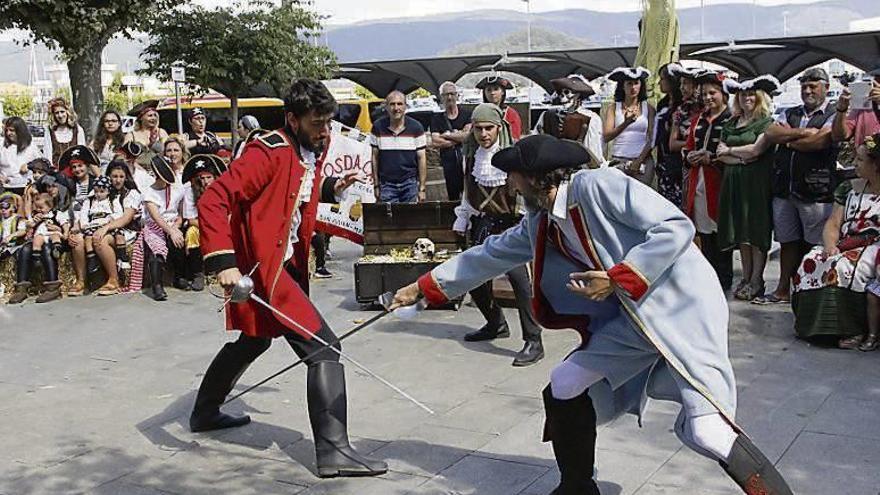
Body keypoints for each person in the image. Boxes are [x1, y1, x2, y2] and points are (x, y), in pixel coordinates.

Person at [392, 134, 793, 495]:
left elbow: (675, 225)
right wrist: (424, 288)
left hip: (682, 310)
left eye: (513, 176)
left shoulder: (599, 185)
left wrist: (618, 278)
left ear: (534, 177)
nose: (509, 185)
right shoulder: (541, 220)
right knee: (564, 383)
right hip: (636, 320)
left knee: (707, 431)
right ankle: (577, 488)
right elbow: (490, 254)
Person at [190, 78, 387, 478]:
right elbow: (214, 199)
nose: (326, 131)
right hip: (267, 269)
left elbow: (294, 190)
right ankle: (334, 452)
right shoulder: (267, 151)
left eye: (329, 122)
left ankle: (205, 411)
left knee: (256, 339)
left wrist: (332, 185)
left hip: (288, 263)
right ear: (292, 119)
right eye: (318, 123)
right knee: (324, 349)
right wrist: (222, 261)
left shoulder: (311, 146)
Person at [453, 103, 544, 366]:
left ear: (499, 128)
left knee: (519, 280)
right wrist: (462, 218)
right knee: (472, 276)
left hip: (512, 225)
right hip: (483, 223)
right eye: (479, 129)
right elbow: (467, 191)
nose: (483, 134)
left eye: (489, 128)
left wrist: (530, 226)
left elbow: (528, 195)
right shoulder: (470, 157)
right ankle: (495, 324)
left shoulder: (513, 157)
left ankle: (534, 340)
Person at [753, 67, 837, 305]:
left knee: (815, 244)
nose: (808, 90)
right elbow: (771, 132)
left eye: (813, 86)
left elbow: (820, 142)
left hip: (816, 192)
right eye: (804, 86)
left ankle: (810, 293)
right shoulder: (790, 112)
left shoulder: (832, 113)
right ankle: (782, 289)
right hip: (784, 190)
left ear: (826, 88)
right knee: (787, 241)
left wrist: (789, 140)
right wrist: (802, 133)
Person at [792, 134, 880, 350]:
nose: (855, 164)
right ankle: (814, 327)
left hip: (873, 246)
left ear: (876, 164)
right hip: (846, 242)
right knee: (812, 260)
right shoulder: (849, 188)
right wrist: (830, 245)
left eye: (860, 160)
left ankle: (853, 328)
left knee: (842, 267)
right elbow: (833, 223)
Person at [714, 76, 782, 301]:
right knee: (741, 232)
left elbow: (756, 150)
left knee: (756, 230)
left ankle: (756, 279)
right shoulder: (732, 122)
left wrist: (732, 152)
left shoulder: (766, 122)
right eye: (743, 94)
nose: (747, 98)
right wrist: (740, 157)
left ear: (759, 97)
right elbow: (719, 154)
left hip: (756, 183)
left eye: (751, 94)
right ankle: (745, 276)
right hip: (733, 182)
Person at [684, 70, 734, 290]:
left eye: (712, 93)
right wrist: (690, 157)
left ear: (723, 94)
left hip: (721, 183)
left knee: (722, 232)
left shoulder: (731, 119)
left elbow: (733, 153)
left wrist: (711, 158)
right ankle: (709, 276)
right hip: (699, 182)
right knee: (703, 232)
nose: (707, 98)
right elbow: (687, 147)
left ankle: (724, 279)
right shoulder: (698, 120)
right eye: (704, 94)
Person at [91, 161, 142, 296]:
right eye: (114, 176)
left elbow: (126, 219)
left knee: (101, 240)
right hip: (108, 227)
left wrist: (105, 228)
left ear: (126, 177)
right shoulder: (105, 192)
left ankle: (114, 280)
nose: (118, 180)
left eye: (121, 176)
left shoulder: (131, 193)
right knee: (93, 238)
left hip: (127, 230)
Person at [533, 74, 606, 168]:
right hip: (551, 168)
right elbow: (537, 142)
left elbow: (593, 152)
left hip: (577, 169)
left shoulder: (590, 118)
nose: (562, 97)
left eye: (567, 92)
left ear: (578, 95)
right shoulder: (546, 115)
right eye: (560, 93)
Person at [7, 191, 67, 304]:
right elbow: (27, 226)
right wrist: (32, 223)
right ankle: (22, 287)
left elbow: (64, 226)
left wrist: (59, 230)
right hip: (37, 239)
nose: (39, 209)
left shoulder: (56, 214)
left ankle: (52, 286)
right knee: (25, 249)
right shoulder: (35, 216)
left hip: (52, 238)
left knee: (47, 249)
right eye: (37, 207)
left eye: (41, 207)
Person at [141, 155, 186, 301]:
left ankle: (179, 277)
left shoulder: (177, 188)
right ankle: (157, 286)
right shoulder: (149, 193)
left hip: (173, 222)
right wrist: (170, 231)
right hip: (156, 226)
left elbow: (181, 213)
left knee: (179, 241)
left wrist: (176, 227)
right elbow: (156, 218)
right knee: (157, 250)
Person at [370, 90, 427, 203]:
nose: (396, 108)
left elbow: (422, 159)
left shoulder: (416, 128)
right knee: (389, 220)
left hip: (409, 184)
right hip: (387, 185)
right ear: (386, 107)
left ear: (405, 106)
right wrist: (376, 186)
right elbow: (374, 158)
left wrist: (422, 189)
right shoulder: (378, 127)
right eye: (392, 104)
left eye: (400, 104)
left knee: (410, 219)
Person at [603, 67, 656, 185]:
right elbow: (606, 136)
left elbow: (653, 138)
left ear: (641, 85)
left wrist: (639, 160)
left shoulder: (649, 108)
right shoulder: (613, 108)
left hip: (643, 162)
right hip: (619, 160)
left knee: (641, 200)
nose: (633, 87)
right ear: (622, 86)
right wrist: (626, 123)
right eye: (629, 84)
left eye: (636, 83)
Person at [59, 145, 99, 296]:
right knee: (77, 241)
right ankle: (81, 279)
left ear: (87, 166)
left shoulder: (96, 184)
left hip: (92, 221)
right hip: (74, 223)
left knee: (83, 237)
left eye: (80, 166)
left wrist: (81, 225)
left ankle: (96, 277)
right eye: (74, 167)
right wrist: (67, 228)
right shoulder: (69, 185)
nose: (77, 169)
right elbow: (64, 209)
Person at [180, 154, 223, 291]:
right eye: (202, 178)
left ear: (214, 177)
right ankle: (197, 273)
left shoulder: (222, 190)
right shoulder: (190, 191)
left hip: (220, 224)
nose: (205, 181)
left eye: (208, 177)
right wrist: (209, 228)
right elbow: (190, 218)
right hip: (198, 225)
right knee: (192, 233)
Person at [429, 81, 472, 200]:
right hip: (448, 165)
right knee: (452, 198)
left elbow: (467, 136)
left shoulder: (467, 115)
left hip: (466, 162)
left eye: (452, 94)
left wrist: (446, 135)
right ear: (441, 97)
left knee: (469, 196)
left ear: (457, 95)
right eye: (446, 94)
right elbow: (436, 141)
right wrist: (458, 136)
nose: (449, 97)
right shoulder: (437, 119)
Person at [669, 64, 704, 203]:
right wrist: (692, 144)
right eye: (681, 83)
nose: (681, 88)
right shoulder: (680, 111)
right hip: (687, 165)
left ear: (697, 87)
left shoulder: (710, 110)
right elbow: (672, 144)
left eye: (686, 83)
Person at [654, 64, 685, 207]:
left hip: (679, 161)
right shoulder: (662, 104)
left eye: (662, 79)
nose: (659, 82)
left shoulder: (684, 105)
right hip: (663, 160)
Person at [831, 67, 880, 148]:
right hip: (864, 159)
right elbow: (839, 136)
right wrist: (841, 110)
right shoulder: (863, 103)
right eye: (876, 79)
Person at [0, 117, 42, 195]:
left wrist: (29, 165)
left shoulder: (31, 146)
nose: (8, 133)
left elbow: (42, 164)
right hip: (6, 189)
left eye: (12, 130)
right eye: (7, 130)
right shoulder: (2, 146)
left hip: (26, 188)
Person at [43, 98, 86, 170]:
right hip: (56, 172)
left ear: (68, 112)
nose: (60, 115)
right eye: (57, 113)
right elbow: (47, 154)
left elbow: (82, 153)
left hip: (75, 171)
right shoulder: (50, 131)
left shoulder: (78, 129)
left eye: (62, 112)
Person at [476, 75, 522, 140]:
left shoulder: (511, 113)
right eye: (489, 90)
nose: (492, 93)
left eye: (496, 89)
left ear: (502, 92)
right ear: (484, 93)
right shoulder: (479, 112)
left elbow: (515, 138)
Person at [0, 192, 26, 260]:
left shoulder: (18, 219)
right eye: (1, 207)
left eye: (6, 207)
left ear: (13, 208)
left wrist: (11, 236)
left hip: (14, 245)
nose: (3, 210)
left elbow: (22, 231)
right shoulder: (1, 219)